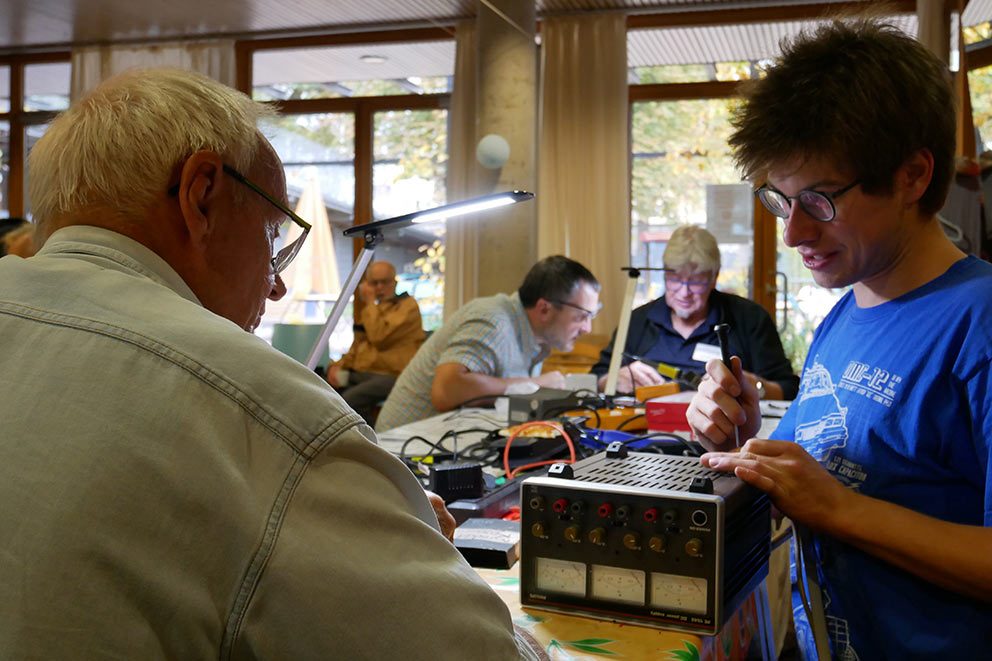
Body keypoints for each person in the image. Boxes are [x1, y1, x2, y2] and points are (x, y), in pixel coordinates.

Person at [0, 68, 529, 659]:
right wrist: (412, 546)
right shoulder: (262, 410)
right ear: (201, 194)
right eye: (273, 236)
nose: (276, 287)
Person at [686, 16, 992, 660]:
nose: (794, 233)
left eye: (821, 200)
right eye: (781, 199)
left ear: (912, 176)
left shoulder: (979, 323)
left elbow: (836, 502)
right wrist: (744, 440)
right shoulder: (849, 310)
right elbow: (827, 470)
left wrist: (840, 511)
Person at [376, 255, 600, 431]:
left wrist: (598, 385)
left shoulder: (533, 337)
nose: (587, 328)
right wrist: (533, 385)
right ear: (544, 309)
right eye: (582, 316)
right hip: (399, 459)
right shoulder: (493, 320)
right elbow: (446, 391)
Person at [591, 225, 798, 400]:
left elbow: (789, 389)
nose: (684, 291)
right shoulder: (637, 321)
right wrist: (611, 379)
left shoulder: (749, 318)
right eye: (674, 278)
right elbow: (597, 376)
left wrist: (753, 386)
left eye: (696, 280)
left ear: (714, 277)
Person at [326, 260, 425, 424]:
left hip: (392, 376)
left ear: (394, 282)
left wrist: (370, 302)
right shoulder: (372, 310)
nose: (379, 287)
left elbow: (379, 338)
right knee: (322, 386)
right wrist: (338, 365)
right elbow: (357, 345)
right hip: (364, 373)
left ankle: (372, 443)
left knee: (351, 399)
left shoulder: (408, 307)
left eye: (384, 282)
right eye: (374, 283)